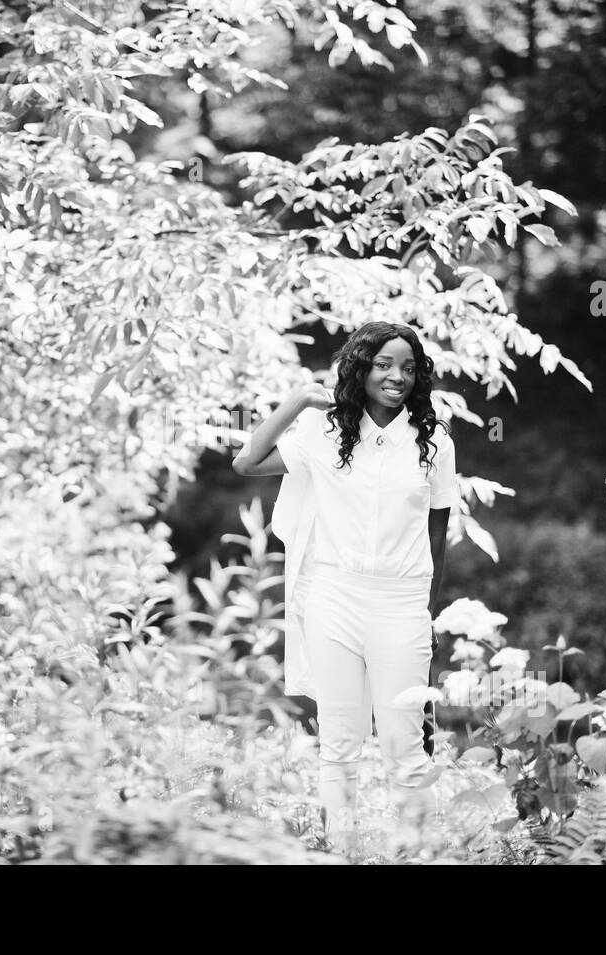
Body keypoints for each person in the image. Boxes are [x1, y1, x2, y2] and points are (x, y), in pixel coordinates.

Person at [231, 321, 459, 852]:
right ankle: (343, 852)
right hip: (333, 596)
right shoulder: (322, 431)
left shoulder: (434, 440)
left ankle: (416, 853)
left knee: (405, 746)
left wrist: (426, 613)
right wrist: (295, 402)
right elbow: (246, 462)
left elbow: (437, 534)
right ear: (360, 367)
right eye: (383, 365)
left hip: (401, 601)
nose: (396, 376)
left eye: (407, 366)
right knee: (339, 745)